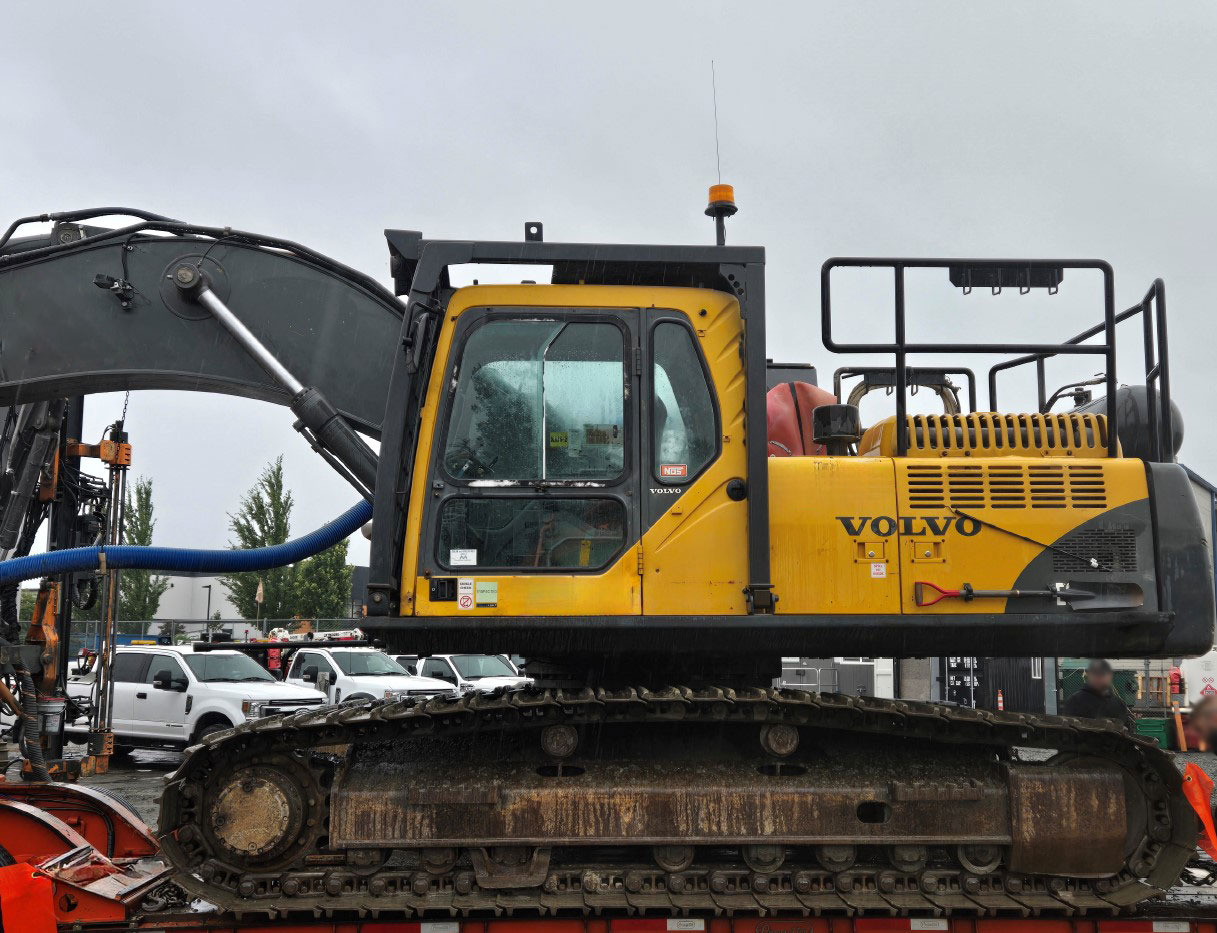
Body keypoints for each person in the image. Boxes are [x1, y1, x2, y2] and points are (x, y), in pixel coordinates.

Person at [1062, 659, 1133, 728]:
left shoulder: (1119, 704)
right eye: (1096, 674)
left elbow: (1126, 731)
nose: (1100, 678)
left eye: (1103, 674)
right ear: (1088, 675)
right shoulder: (1074, 701)